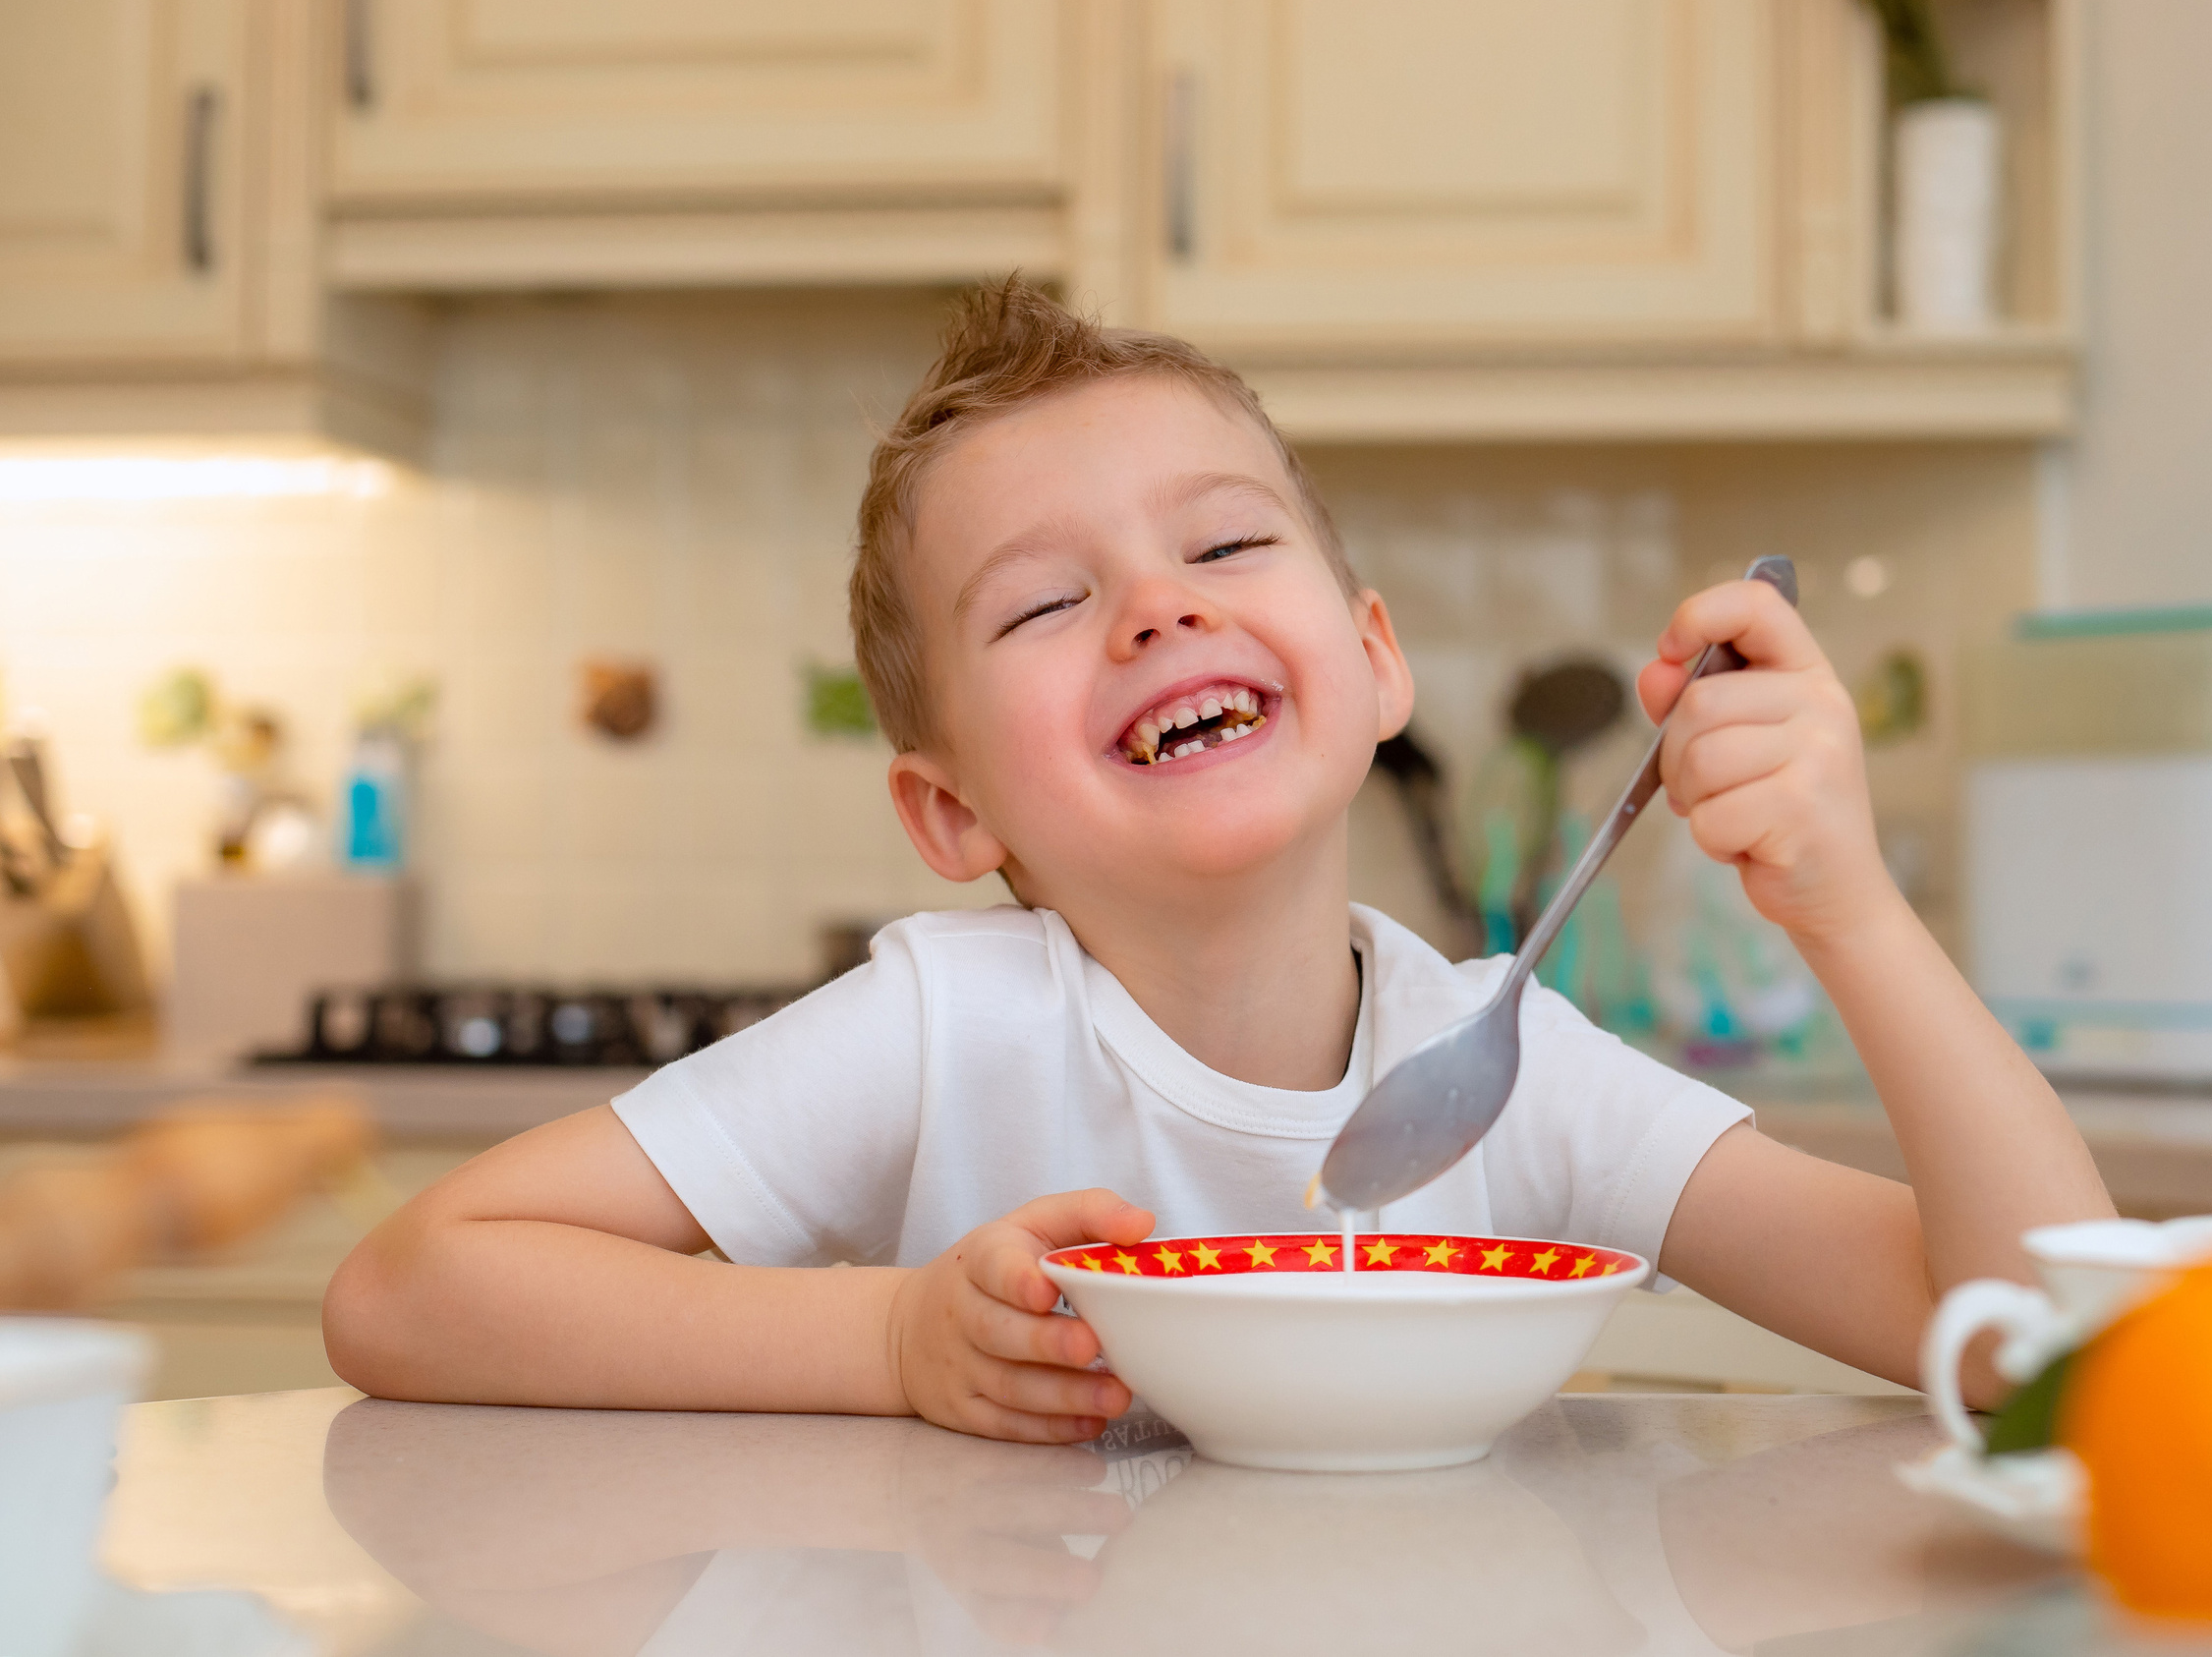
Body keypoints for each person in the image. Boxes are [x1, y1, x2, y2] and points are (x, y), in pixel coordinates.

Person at [323, 279, 2113, 1441]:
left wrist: (1850, 912)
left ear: (1377, 661)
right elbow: (407, 1287)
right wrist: (883, 1347)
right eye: (1043, 599)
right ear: (955, 816)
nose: (1156, 605)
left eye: (1224, 544)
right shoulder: (948, 1031)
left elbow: (2039, 1341)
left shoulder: (1504, 1067)